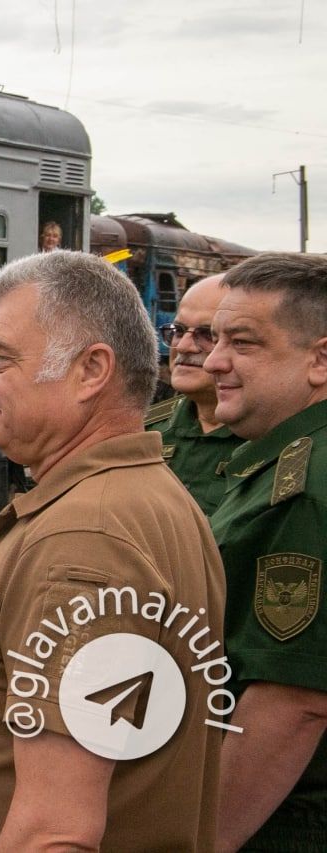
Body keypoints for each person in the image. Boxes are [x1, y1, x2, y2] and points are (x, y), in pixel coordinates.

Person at [0, 250, 225, 850]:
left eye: (1, 359)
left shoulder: (86, 539)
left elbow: (55, 832)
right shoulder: (141, 497)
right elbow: (3, 610)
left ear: (91, 371)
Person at [205, 252, 327, 852]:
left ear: (320, 360)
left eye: (243, 343)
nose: (213, 361)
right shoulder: (286, 462)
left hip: (287, 825)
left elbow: (295, 702)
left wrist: (202, 844)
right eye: (215, 339)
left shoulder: (303, 491)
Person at [145, 274, 245, 513]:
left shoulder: (268, 437)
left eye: (206, 334)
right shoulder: (143, 429)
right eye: (178, 330)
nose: (184, 346)